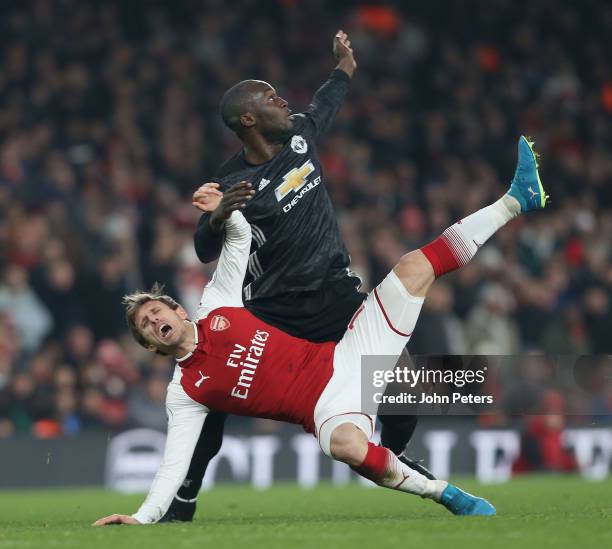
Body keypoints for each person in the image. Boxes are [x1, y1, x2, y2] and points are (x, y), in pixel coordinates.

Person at [93, 136, 548, 526]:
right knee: (346, 446)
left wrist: (224, 211)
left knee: (412, 267)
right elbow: (171, 465)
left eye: (155, 311)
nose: (155, 321)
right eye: (147, 327)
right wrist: (141, 516)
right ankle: (446, 495)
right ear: (150, 346)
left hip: (347, 354)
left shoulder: (217, 307)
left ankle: (515, 200)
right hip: (327, 408)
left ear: (175, 307)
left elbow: (239, 241)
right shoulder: (186, 392)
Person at [165, 29, 419, 522]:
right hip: (273, 307)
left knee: (404, 383)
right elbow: (201, 248)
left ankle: (394, 458)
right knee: (210, 387)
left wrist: (344, 64)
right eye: (272, 98)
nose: (285, 102)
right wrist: (218, 218)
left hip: (334, 294)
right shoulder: (233, 182)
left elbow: (329, 100)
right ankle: (184, 494)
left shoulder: (301, 134)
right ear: (249, 119)